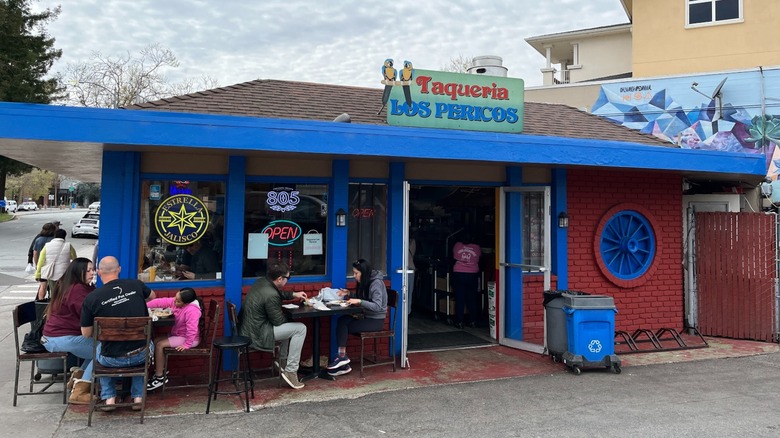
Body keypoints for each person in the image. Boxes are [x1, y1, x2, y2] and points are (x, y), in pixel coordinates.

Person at [80, 256, 156, 410]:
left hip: (111, 360)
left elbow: (86, 333)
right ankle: (138, 398)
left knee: (100, 347)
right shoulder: (136, 284)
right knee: (145, 342)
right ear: (119, 270)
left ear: (99, 273)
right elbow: (153, 296)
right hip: (140, 355)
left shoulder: (91, 298)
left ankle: (109, 399)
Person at [238, 262, 308, 390]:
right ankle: (291, 371)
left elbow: (277, 293)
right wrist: (288, 316)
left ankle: (282, 362)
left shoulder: (262, 282)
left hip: (249, 329)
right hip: (258, 334)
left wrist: (294, 294)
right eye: (288, 278)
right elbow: (278, 322)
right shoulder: (271, 295)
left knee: (291, 327)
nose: (288, 280)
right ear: (280, 279)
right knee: (300, 328)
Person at [41, 257, 97, 404]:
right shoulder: (77, 290)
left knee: (97, 347)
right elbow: (89, 314)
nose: (93, 273)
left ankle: (77, 380)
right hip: (60, 338)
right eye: (88, 270)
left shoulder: (74, 286)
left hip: (55, 336)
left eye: (93, 269)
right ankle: (80, 392)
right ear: (79, 272)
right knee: (102, 349)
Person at [327, 259, 388, 377]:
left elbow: (377, 306)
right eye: (354, 273)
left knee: (345, 325)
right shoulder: (365, 281)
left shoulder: (376, 283)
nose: (354, 276)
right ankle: (342, 359)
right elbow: (364, 298)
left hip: (376, 320)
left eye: (356, 273)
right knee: (342, 320)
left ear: (363, 273)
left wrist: (359, 301)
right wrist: (349, 294)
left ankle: (342, 359)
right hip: (366, 316)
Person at [145, 287, 202, 391]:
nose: (174, 301)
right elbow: (161, 301)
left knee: (160, 345)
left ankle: (159, 377)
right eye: (175, 298)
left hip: (189, 339)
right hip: (178, 334)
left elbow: (192, 330)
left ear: (186, 303)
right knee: (156, 340)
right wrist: (143, 306)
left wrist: (187, 344)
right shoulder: (177, 302)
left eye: (178, 301)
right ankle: (161, 369)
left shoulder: (192, 310)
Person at [35, 229, 77, 300]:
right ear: (64, 236)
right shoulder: (69, 246)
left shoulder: (47, 246)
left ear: (55, 236)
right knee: (64, 292)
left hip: (52, 274)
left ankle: (53, 306)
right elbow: (75, 259)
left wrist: (38, 274)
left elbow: (41, 261)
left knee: (53, 292)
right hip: (65, 274)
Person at [452, 231, 482, 329]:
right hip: (472, 274)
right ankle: (473, 321)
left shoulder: (457, 245)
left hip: (459, 273)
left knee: (459, 298)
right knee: (472, 298)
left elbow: (453, 256)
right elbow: (479, 258)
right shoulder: (477, 247)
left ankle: (459, 322)